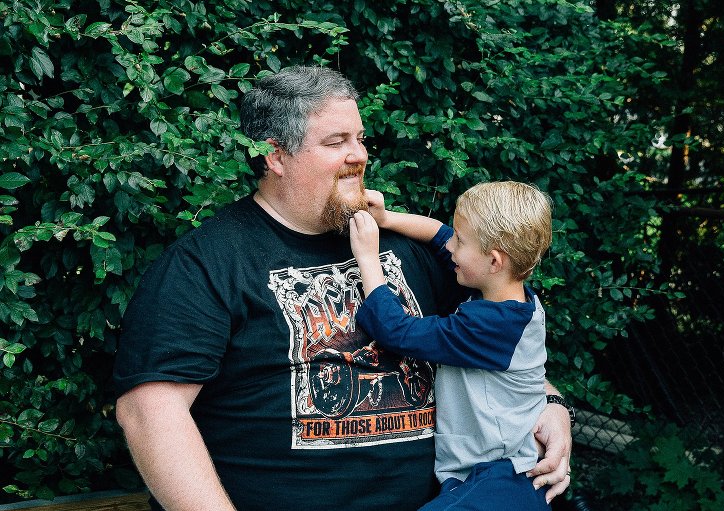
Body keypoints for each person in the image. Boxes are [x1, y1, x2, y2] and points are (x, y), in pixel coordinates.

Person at [113, 65, 572, 511]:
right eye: (337, 142)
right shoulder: (210, 262)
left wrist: (548, 402)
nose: (360, 155)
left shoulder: (401, 247)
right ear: (276, 156)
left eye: (360, 138)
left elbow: (494, 336)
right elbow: (151, 413)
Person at [350, 181, 554, 510]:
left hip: (500, 476)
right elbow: (439, 234)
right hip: (489, 474)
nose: (451, 248)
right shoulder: (505, 295)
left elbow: (395, 330)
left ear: (494, 261)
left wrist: (367, 258)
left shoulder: (490, 326)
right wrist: (386, 218)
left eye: (461, 242)